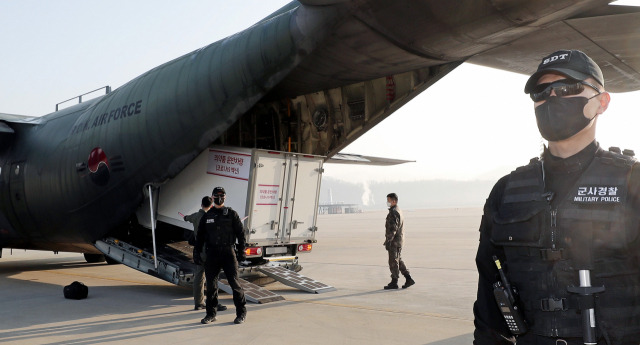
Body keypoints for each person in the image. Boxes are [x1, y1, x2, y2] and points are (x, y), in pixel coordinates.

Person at [473, 49, 640, 344]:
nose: (551, 98)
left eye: (568, 88)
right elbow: (489, 297)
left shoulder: (631, 182)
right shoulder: (507, 191)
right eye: (541, 92)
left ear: (602, 102)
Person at [194, 186, 247, 325]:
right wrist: (196, 252)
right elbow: (200, 236)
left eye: (222, 195)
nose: (219, 197)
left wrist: (242, 251)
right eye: (216, 195)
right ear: (212, 198)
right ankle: (211, 314)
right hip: (212, 253)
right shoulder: (207, 215)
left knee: (235, 283)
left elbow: (241, 234)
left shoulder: (231, 214)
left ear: (225, 197)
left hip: (228, 252)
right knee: (211, 285)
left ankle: (241, 313)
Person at [183, 196, 226, 312]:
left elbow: (187, 218)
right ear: (211, 205)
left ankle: (198, 303)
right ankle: (213, 303)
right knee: (212, 278)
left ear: (201, 205)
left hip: (198, 251)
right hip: (210, 251)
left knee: (199, 277)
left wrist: (185, 217)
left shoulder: (196, 216)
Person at [383, 193, 415, 290]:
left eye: (389, 200)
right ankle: (408, 278)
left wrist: (388, 240)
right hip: (398, 240)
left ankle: (394, 281)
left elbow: (393, 228)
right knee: (398, 260)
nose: (387, 202)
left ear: (394, 201)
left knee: (393, 261)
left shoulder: (393, 212)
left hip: (394, 241)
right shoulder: (398, 210)